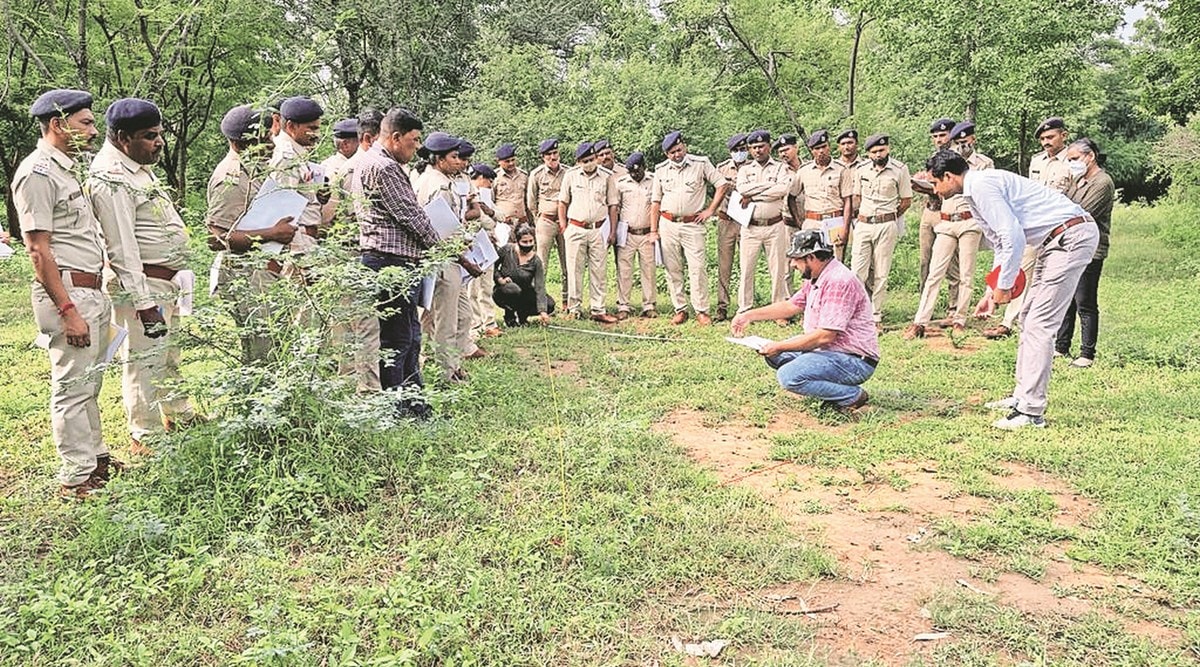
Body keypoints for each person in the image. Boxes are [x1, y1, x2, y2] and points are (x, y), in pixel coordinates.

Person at [927, 149, 1098, 429]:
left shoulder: (981, 185)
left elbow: (1013, 235)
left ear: (948, 176)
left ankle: (1031, 412)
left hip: (1070, 236)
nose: (935, 189)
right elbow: (999, 242)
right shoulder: (973, 192)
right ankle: (1022, 396)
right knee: (1027, 317)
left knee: (1040, 324)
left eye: (936, 183)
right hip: (1052, 241)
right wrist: (992, 292)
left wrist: (1005, 286)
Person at [15, 89, 120, 498]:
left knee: (89, 383)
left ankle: (96, 459)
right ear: (58, 125)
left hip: (91, 289)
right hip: (69, 295)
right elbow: (38, 249)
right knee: (71, 386)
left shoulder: (67, 168)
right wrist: (67, 309)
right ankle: (76, 476)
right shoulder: (37, 172)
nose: (94, 131)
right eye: (86, 123)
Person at [88, 98, 198, 453]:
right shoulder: (111, 178)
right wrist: (144, 303)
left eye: (160, 134)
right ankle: (145, 434)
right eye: (150, 136)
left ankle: (177, 413)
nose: (159, 142)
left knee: (166, 356)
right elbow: (121, 247)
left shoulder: (137, 165)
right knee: (144, 360)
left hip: (163, 281)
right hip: (142, 285)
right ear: (123, 137)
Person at [350, 107, 440, 417]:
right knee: (400, 339)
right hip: (391, 263)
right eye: (414, 142)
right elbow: (411, 216)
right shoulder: (384, 168)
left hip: (390, 261)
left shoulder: (368, 162)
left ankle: (413, 405)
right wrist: (443, 248)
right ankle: (401, 408)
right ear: (396, 137)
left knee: (408, 335)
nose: (416, 150)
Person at [730, 229, 879, 412]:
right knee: (775, 356)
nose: (793, 264)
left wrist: (779, 345)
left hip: (852, 360)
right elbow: (791, 306)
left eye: (797, 258)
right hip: (829, 352)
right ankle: (829, 391)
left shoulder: (838, 281)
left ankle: (851, 396)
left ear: (812, 257)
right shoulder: (817, 277)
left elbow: (825, 336)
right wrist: (748, 315)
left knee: (788, 375)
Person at [206, 104, 296, 362]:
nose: (272, 142)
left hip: (263, 272)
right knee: (262, 354)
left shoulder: (253, 168)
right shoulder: (231, 177)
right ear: (246, 141)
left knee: (276, 346)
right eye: (266, 137)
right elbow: (215, 238)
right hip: (245, 276)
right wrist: (273, 233)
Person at [986, 116, 1074, 339]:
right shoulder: (1037, 161)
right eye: (1043, 138)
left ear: (1063, 135)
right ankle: (1009, 321)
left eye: (1051, 137)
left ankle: (1045, 324)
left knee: (1050, 275)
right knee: (1023, 269)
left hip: (1062, 224)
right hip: (1034, 224)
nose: (1046, 142)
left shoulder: (1073, 161)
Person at [904, 120, 994, 339]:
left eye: (966, 140)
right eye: (959, 141)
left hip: (969, 221)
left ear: (973, 139)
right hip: (946, 219)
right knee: (935, 271)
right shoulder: (944, 160)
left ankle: (959, 319)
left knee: (966, 273)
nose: (962, 145)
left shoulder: (984, 163)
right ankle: (920, 321)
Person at [414, 132, 483, 382]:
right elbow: (440, 233)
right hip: (444, 259)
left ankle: (438, 360)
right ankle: (446, 372)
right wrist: (466, 261)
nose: (459, 161)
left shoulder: (440, 180)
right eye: (454, 157)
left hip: (449, 258)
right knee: (447, 319)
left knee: (458, 314)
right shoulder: (438, 186)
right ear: (439, 159)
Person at [649, 130, 730, 325]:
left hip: (693, 224)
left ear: (684, 146)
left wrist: (710, 210)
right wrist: (653, 230)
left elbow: (722, 184)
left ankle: (701, 310)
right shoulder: (661, 170)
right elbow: (655, 202)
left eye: (679, 149)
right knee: (672, 268)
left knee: (697, 268)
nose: (677, 155)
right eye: (672, 153)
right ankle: (680, 309)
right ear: (666, 155)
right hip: (668, 223)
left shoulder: (700, 163)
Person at [1054, 138, 1115, 368]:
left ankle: (1087, 353)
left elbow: (1082, 214)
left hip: (1091, 247)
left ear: (1090, 157)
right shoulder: (1078, 180)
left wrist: (1064, 213)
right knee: (1067, 298)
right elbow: (1062, 205)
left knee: (1085, 301)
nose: (1071, 164)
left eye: (1075, 159)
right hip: (1070, 245)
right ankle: (1062, 346)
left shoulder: (1102, 182)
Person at [851, 134, 912, 331]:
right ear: (868, 154)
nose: (879, 154)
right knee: (858, 270)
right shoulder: (860, 170)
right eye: (875, 152)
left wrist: (890, 216)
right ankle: (856, 312)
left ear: (888, 149)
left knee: (881, 272)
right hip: (863, 224)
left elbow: (905, 201)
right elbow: (857, 197)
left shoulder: (900, 169)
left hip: (886, 224)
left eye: (882, 150)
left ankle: (876, 315)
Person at [558, 141, 620, 323]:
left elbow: (613, 205)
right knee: (574, 270)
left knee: (599, 270)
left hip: (598, 229)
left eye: (592, 159)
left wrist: (613, 231)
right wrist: (564, 227)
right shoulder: (570, 176)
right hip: (576, 228)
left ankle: (598, 309)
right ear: (578, 162)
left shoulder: (607, 177)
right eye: (585, 161)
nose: (589, 163)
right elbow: (562, 203)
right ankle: (574, 308)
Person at [735, 129, 792, 320]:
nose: (758, 150)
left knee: (778, 269)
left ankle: (778, 311)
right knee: (746, 268)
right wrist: (767, 189)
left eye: (761, 146)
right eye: (753, 148)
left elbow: (783, 189)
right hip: (750, 227)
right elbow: (742, 188)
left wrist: (753, 195)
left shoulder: (780, 168)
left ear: (769, 146)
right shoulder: (744, 169)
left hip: (775, 225)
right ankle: (744, 309)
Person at [269, 96, 327, 243]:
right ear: (291, 127)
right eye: (312, 128)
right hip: (297, 241)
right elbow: (281, 211)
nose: (317, 134)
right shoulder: (286, 157)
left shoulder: (297, 152)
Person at [793, 129, 853, 261]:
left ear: (829, 147)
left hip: (835, 220)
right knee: (811, 261)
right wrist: (799, 222)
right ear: (811, 150)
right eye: (816, 148)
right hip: (812, 221)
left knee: (836, 262)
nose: (821, 151)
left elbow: (848, 201)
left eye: (823, 147)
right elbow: (791, 197)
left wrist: (845, 228)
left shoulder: (841, 169)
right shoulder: (804, 171)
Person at [614, 152, 658, 319]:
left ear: (644, 168)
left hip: (647, 232)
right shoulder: (621, 184)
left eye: (638, 172)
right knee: (624, 270)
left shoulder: (654, 181)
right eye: (632, 172)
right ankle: (623, 305)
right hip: (627, 233)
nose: (635, 175)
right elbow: (615, 208)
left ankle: (649, 305)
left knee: (648, 269)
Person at [916, 118, 957, 294]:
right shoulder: (933, 158)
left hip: (948, 212)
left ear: (951, 135)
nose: (939, 140)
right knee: (925, 259)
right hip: (930, 210)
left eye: (943, 135)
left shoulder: (957, 159)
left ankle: (953, 305)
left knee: (951, 262)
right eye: (935, 136)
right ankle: (925, 302)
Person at [527, 138, 569, 307]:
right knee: (541, 263)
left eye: (555, 153)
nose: (553, 157)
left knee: (567, 263)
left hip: (565, 222)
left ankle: (567, 300)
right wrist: (539, 218)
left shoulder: (568, 172)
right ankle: (540, 301)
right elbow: (531, 201)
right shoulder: (536, 174)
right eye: (549, 155)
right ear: (543, 157)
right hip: (546, 221)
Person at [713, 133, 749, 321]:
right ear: (730, 152)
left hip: (745, 221)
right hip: (725, 220)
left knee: (746, 264)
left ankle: (744, 306)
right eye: (736, 150)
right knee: (724, 265)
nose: (740, 153)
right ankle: (722, 306)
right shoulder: (721, 168)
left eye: (743, 149)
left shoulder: (752, 168)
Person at [494, 224, 555, 325]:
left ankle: (523, 315)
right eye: (524, 242)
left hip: (525, 292)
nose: (528, 244)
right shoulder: (507, 250)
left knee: (549, 304)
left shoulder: (536, 261)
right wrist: (500, 279)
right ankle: (510, 316)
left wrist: (543, 311)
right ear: (517, 241)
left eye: (531, 241)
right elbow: (493, 266)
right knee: (513, 290)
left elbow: (540, 287)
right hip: (505, 290)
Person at [492, 142, 530, 227]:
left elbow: (528, 199)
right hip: (504, 222)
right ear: (499, 162)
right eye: (507, 161)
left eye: (513, 160)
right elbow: (491, 201)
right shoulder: (495, 177)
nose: (511, 163)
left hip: (522, 221)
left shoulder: (523, 175)